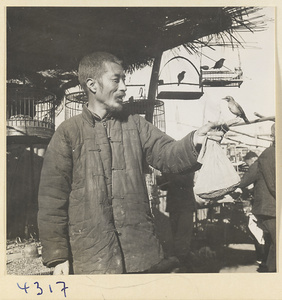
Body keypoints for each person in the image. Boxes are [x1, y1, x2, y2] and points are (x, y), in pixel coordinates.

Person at [37, 52, 225, 275]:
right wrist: (58, 257)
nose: (124, 87)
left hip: (141, 256)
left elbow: (168, 154)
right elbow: (52, 200)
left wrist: (195, 140)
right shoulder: (68, 133)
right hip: (89, 258)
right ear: (92, 85)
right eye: (116, 80)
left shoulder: (137, 125)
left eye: (124, 80)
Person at [156, 172, 196, 271]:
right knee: (176, 233)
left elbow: (185, 180)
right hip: (175, 205)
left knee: (183, 234)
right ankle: (180, 261)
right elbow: (163, 186)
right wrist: (159, 178)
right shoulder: (170, 167)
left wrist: (167, 177)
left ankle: (182, 261)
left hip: (185, 205)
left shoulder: (187, 164)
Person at [253, 123, 276, 272]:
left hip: (273, 207)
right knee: (277, 242)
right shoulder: (269, 154)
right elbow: (274, 185)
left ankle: (269, 269)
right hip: (270, 208)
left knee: (275, 243)